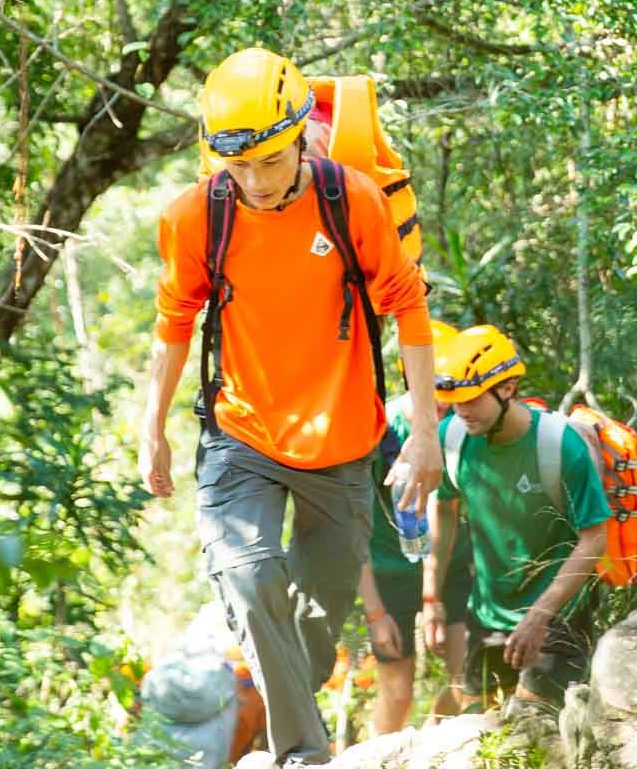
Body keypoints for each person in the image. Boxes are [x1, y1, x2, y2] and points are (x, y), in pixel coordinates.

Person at [138, 47, 441, 767]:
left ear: (302, 136)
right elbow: (174, 322)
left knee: (315, 621)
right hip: (241, 431)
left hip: (341, 438)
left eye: (269, 162)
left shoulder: (352, 201)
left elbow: (409, 307)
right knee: (247, 574)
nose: (253, 181)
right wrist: (151, 429)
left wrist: (423, 432)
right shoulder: (197, 217)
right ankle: (303, 755)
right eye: (236, 164)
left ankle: (292, 706)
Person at [421, 325, 610, 709]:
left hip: (557, 619)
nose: (462, 411)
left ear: (507, 388)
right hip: (489, 616)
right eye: (455, 402)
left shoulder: (560, 446)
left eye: (471, 399)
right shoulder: (453, 437)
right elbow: (442, 508)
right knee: (475, 728)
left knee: (528, 732)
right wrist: (431, 597)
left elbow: (595, 538)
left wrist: (541, 614)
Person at [354, 325, 474, 737]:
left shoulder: (464, 426)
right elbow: (351, 526)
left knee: (469, 687)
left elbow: (452, 508)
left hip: (453, 568)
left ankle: (429, 751)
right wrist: (374, 612)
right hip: (390, 575)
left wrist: (435, 595)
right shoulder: (377, 428)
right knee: (398, 693)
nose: (444, 413)